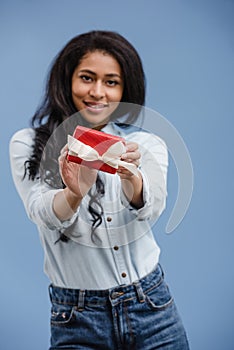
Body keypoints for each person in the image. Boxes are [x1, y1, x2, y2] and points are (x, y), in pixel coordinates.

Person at [9, 30, 189, 349]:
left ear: (125, 88)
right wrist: (73, 193)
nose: (97, 92)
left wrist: (131, 178)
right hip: (76, 315)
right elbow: (40, 211)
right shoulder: (27, 144)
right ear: (67, 79)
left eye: (111, 82)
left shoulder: (146, 144)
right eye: (87, 78)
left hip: (151, 305)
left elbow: (152, 209)